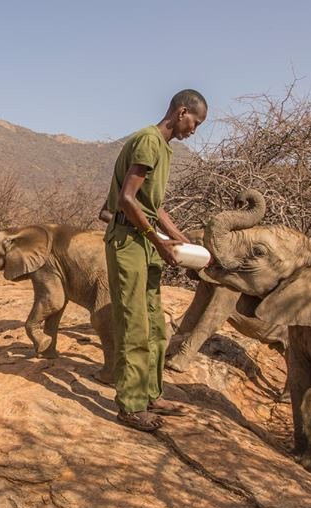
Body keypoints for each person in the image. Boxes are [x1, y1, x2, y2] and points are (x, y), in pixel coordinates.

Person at [102, 89, 207, 431]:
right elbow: (128, 199)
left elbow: (153, 204)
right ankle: (130, 406)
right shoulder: (148, 141)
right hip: (130, 242)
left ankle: (151, 392)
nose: (195, 129)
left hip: (146, 242)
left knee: (155, 324)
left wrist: (179, 238)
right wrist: (158, 242)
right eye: (196, 121)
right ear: (181, 112)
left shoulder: (163, 147)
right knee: (134, 323)